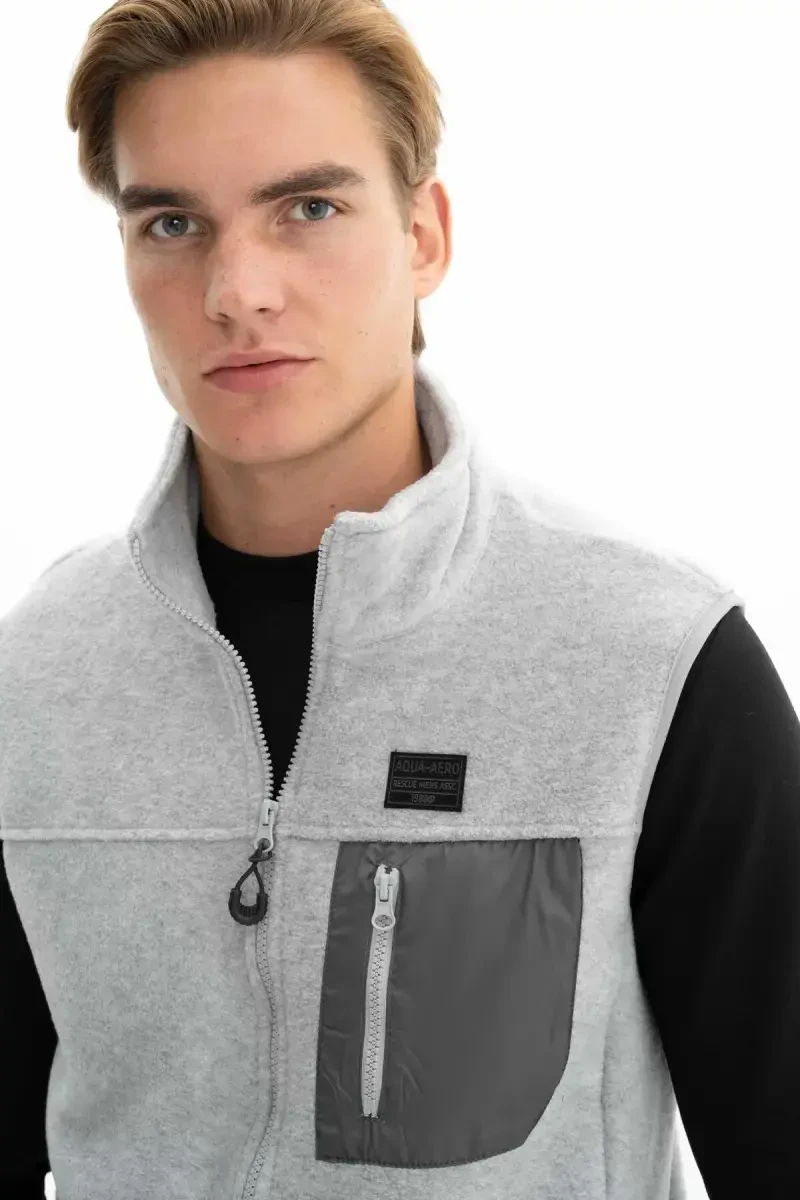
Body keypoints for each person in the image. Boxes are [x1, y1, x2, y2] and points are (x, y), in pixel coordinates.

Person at [1, 2, 798, 1198]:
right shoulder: (36, 680)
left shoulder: (653, 663)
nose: (236, 291)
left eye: (307, 209)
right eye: (172, 223)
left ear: (424, 235)